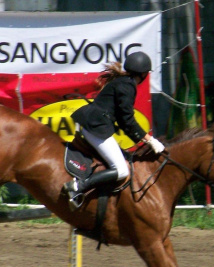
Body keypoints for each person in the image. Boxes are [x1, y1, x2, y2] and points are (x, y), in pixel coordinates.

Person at [64, 51, 165, 209]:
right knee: (122, 170)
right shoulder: (127, 86)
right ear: (144, 74)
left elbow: (124, 121)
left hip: (94, 125)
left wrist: (144, 139)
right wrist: (149, 139)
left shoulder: (123, 82)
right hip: (96, 128)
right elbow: (127, 120)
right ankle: (78, 187)